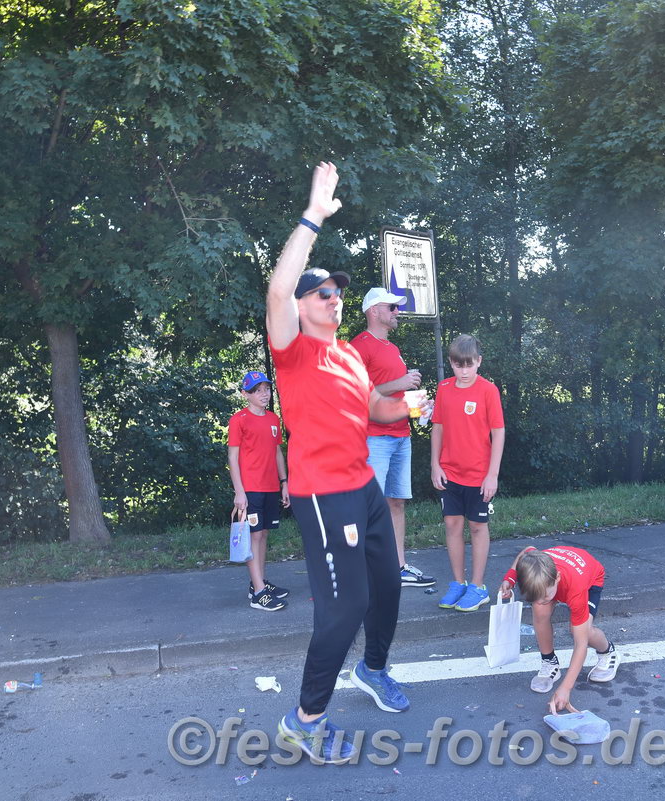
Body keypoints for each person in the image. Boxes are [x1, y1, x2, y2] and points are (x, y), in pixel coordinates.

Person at [266, 161, 418, 764]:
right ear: (303, 306)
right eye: (323, 294)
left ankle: (373, 669)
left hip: (364, 488)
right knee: (345, 606)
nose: (335, 300)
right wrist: (314, 215)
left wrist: (410, 405)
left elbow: (373, 409)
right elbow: (277, 290)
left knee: (388, 585)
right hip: (324, 495)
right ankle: (305, 720)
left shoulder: (350, 356)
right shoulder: (294, 350)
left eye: (338, 293)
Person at [351, 287, 435, 589]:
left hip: (400, 436)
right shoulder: (359, 346)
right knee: (369, 506)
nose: (397, 312)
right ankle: (363, 572)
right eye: (392, 307)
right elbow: (357, 394)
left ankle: (397, 567)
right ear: (374, 311)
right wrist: (400, 382)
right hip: (373, 439)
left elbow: (392, 395)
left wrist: (418, 406)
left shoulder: (392, 347)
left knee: (396, 503)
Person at [498, 545, 620, 714]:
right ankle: (549, 662)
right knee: (540, 611)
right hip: (558, 577)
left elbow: (581, 644)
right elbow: (527, 550)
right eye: (535, 597)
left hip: (589, 579)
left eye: (545, 596)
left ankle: (608, 652)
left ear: (557, 578)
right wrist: (510, 578)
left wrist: (565, 688)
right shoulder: (532, 567)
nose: (540, 601)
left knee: (581, 631)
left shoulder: (575, 588)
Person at [431, 334, 504, 612]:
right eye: (458, 365)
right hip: (449, 472)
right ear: (451, 363)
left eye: (469, 365)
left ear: (479, 362)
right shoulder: (444, 388)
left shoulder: (488, 391)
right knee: (452, 525)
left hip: (479, 475)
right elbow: (437, 427)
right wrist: (435, 465)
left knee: (477, 527)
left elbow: (498, 433)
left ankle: (478, 586)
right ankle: (458, 583)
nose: (463, 371)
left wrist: (492, 474)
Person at [227, 370, 291, 612]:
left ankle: (259, 583)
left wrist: (284, 482)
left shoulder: (274, 419)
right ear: (245, 394)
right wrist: (239, 492)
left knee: (263, 535)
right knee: (254, 536)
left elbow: (277, 453)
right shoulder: (239, 420)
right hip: (250, 489)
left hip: (270, 486)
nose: (264, 394)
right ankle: (258, 594)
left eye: (266, 389)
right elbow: (232, 458)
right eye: (257, 390)